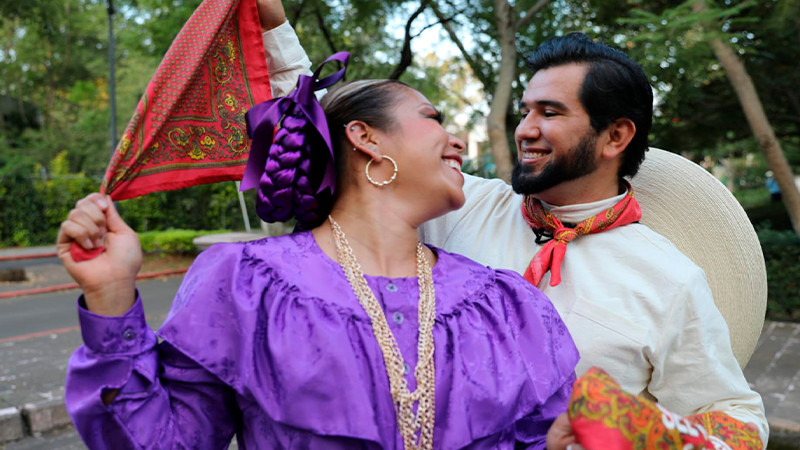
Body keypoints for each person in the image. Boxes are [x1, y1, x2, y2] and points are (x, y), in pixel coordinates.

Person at [57, 4, 578, 448]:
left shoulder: (509, 306)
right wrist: (111, 296)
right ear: (366, 138)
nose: (458, 140)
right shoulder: (245, 285)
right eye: (433, 117)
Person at [418, 33, 768, 446]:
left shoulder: (669, 280)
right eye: (526, 111)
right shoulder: (456, 207)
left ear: (615, 137)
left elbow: (740, 420)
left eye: (549, 112)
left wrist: (646, 430)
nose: (525, 130)